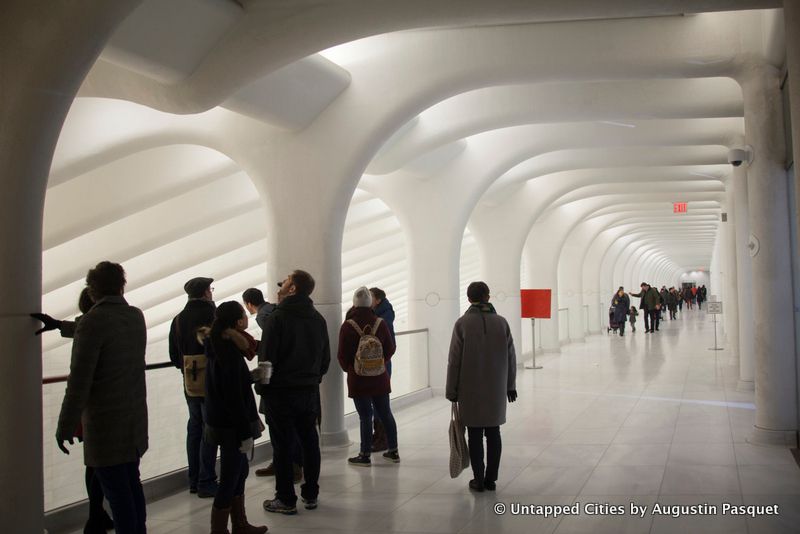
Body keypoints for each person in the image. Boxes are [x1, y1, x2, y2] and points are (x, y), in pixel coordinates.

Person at [55, 261, 148, 534]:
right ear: (121, 285)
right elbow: (107, 329)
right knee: (131, 487)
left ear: (92, 289)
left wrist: (65, 425)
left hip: (105, 425)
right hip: (133, 421)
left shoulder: (93, 322)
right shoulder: (135, 316)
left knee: (118, 496)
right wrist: (64, 326)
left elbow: (79, 381)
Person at [32, 288, 115, 534]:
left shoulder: (88, 326)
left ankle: (96, 514)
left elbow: (80, 329)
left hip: (87, 409)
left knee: (93, 464)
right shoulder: (101, 325)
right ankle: (96, 514)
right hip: (100, 408)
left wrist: (58, 324)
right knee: (99, 465)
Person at [257, 270, 330, 515]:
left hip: (280, 392)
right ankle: (311, 494)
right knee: (309, 442)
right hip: (308, 391)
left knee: (283, 445)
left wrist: (262, 387)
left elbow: (266, 360)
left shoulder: (277, 319)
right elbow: (325, 359)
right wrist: (312, 379)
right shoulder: (317, 319)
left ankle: (286, 498)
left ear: (293, 289)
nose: (280, 286)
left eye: (285, 281)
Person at [200, 301, 268, 534]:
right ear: (238, 322)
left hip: (221, 420)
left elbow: (231, 381)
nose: (247, 317)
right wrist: (244, 433)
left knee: (239, 472)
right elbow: (232, 395)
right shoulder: (228, 350)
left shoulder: (219, 345)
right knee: (231, 476)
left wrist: (252, 376)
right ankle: (222, 529)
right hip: (232, 424)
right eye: (244, 315)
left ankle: (240, 523)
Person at [445, 281, 517, 492]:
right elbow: (511, 357)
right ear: (488, 297)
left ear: (469, 299)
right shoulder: (501, 323)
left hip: (469, 389)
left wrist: (451, 390)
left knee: (474, 434)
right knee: (494, 433)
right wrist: (510, 385)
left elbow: (454, 360)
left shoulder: (462, 324)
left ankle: (478, 479)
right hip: (496, 388)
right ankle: (491, 479)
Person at [242, 288, 302, 480]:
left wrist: (261, 383)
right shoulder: (277, 310)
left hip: (278, 380)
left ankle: (288, 466)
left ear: (248, 304)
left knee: (280, 425)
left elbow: (272, 348)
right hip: (295, 377)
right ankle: (287, 463)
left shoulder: (264, 317)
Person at [169, 277, 219, 498]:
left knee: (195, 427)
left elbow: (174, 355)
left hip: (190, 380)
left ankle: (194, 479)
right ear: (206, 292)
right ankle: (207, 480)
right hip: (212, 380)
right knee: (211, 427)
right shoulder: (213, 315)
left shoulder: (178, 319)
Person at [339, 287, 399, 466]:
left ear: (354, 304)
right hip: (380, 377)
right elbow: (390, 348)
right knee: (385, 413)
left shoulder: (348, 326)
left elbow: (342, 355)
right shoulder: (380, 323)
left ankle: (364, 455)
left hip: (358, 378)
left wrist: (352, 369)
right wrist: (379, 363)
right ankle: (393, 451)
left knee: (365, 416)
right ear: (370, 303)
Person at [369, 286, 396, 452]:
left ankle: (382, 438)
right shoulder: (383, 314)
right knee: (379, 401)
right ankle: (380, 436)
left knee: (380, 402)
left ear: (378, 300)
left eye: (370, 297)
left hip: (381, 363)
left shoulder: (382, 318)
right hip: (381, 362)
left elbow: (389, 344)